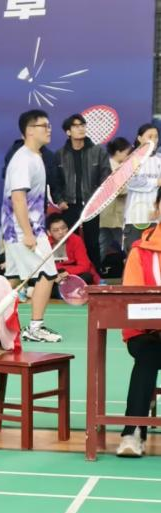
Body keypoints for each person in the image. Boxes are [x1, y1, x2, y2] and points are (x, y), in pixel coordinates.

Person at [2, 110, 62, 343]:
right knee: (48, 273)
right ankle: (35, 327)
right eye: (43, 125)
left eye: (49, 125)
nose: (49, 129)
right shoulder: (23, 160)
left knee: (12, 279)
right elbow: (18, 198)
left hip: (20, 229)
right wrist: (28, 233)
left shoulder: (36, 157)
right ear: (29, 131)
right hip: (24, 230)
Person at [115, 224, 161, 457]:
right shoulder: (140, 251)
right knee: (148, 357)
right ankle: (132, 433)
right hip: (147, 333)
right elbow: (134, 299)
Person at [54, 113, 111, 271]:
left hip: (91, 204)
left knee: (92, 242)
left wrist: (98, 199)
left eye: (82, 125)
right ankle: (67, 274)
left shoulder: (98, 151)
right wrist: (60, 200)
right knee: (68, 241)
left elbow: (106, 177)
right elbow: (55, 182)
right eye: (76, 126)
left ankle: (95, 275)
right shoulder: (60, 154)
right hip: (69, 205)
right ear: (68, 131)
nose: (80, 129)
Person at [123, 123, 161, 253]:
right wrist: (156, 182)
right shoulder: (132, 159)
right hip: (135, 217)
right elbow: (131, 182)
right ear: (139, 138)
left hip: (156, 217)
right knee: (134, 255)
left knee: (155, 257)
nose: (154, 140)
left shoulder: (159, 159)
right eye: (150, 136)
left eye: (156, 136)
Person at [99, 137, 132, 271]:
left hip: (110, 215)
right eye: (127, 153)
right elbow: (118, 189)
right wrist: (134, 188)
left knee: (102, 245)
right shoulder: (110, 167)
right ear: (118, 152)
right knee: (127, 245)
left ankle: (95, 272)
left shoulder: (118, 166)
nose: (129, 156)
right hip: (112, 215)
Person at [46, 213, 100, 294]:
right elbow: (42, 267)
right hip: (54, 276)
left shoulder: (76, 240)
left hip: (73, 274)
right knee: (38, 279)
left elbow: (85, 266)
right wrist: (54, 276)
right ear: (49, 232)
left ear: (68, 228)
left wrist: (68, 273)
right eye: (56, 230)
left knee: (87, 276)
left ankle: (57, 292)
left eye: (63, 228)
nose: (61, 232)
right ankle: (68, 291)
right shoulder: (45, 243)